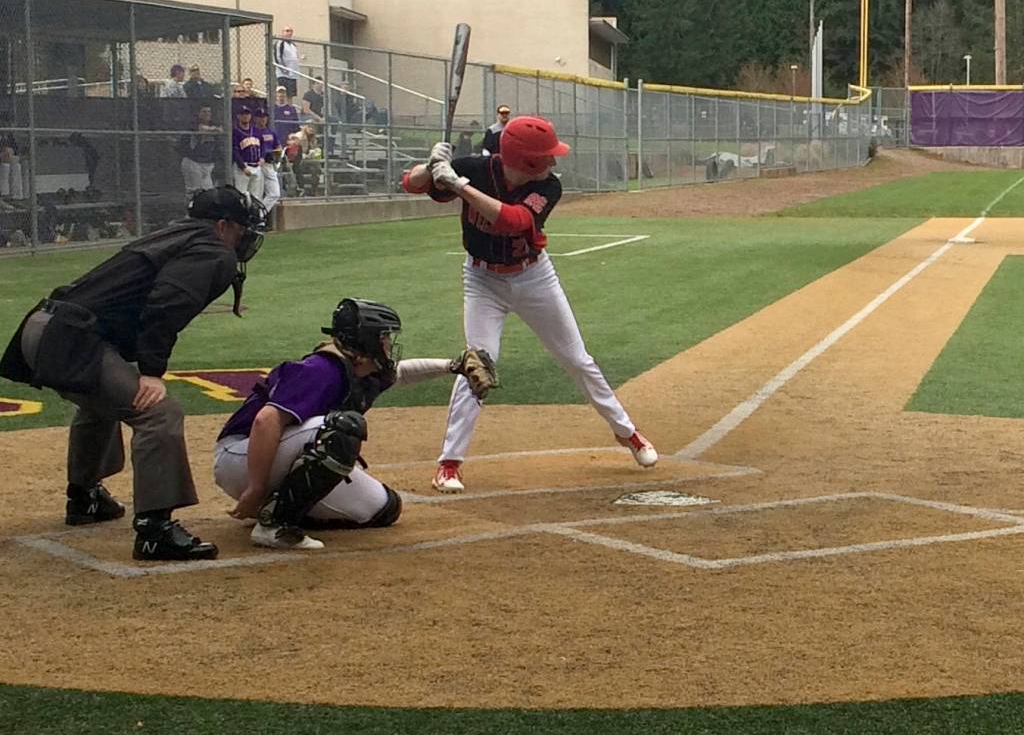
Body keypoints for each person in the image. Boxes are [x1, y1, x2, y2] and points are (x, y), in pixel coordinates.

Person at [0, 187, 267, 560]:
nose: (245, 237)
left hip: (44, 326)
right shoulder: (213, 250)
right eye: (241, 228)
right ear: (222, 226)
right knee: (158, 413)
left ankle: (85, 497)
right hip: (71, 338)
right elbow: (166, 302)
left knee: (101, 404)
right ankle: (154, 530)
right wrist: (152, 372)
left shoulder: (172, 235)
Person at [402, 116, 658, 493]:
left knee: (577, 359)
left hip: (533, 277)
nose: (553, 163)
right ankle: (449, 463)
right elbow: (411, 184)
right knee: (478, 364)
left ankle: (628, 434)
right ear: (526, 161)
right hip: (482, 280)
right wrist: (431, 166)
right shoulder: (475, 168)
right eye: (546, 157)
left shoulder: (547, 187)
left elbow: (514, 221)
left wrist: (459, 185)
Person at [213, 298, 494, 549]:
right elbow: (266, 421)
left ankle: (279, 505)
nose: (389, 344)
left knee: (382, 508)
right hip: (241, 457)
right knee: (342, 430)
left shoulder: (361, 369)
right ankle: (273, 523)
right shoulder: (322, 369)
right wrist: (256, 487)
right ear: (367, 340)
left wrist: (453, 365)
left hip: (278, 454)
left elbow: (403, 373)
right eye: (384, 337)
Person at [179, 103, 220, 202]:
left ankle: (204, 214)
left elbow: (221, 129)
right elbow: (201, 129)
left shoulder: (213, 124)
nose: (207, 114)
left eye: (209, 112)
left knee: (209, 192)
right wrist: (213, 129)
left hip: (207, 164)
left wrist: (214, 129)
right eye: (204, 112)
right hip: (193, 162)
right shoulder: (192, 124)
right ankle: (190, 214)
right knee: (194, 191)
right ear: (198, 113)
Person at [232, 105, 263, 201]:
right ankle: (240, 216)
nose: (245, 116)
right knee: (241, 196)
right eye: (242, 114)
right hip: (243, 168)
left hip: (256, 166)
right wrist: (243, 167)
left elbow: (263, 146)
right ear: (238, 116)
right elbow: (235, 151)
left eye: (247, 114)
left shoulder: (256, 131)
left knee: (256, 197)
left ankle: (254, 216)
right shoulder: (236, 132)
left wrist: (262, 158)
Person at [253, 108, 281, 213]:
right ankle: (257, 217)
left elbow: (278, 147)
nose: (263, 119)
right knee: (257, 193)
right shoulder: (253, 131)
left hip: (269, 163)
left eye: (264, 116)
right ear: (255, 118)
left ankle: (259, 214)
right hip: (257, 164)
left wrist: (275, 151)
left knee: (275, 193)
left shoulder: (271, 131)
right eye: (260, 117)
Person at [274, 25, 301, 99]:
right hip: (283, 74)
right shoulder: (280, 43)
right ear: (282, 32)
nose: (289, 33)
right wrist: (283, 69)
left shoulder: (293, 45)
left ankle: (289, 109)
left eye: (291, 31)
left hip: (293, 74)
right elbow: (277, 57)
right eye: (287, 31)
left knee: (290, 95)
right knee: (282, 94)